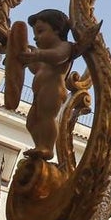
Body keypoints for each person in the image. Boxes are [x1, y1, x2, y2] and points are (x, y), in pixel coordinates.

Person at [19, 8, 74, 161]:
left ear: (57, 29)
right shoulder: (43, 54)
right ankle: (39, 145)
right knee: (31, 121)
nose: (36, 38)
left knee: (47, 118)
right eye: (35, 34)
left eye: (40, 31)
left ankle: (47, 148)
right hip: (39, 93)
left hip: (53, 90)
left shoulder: (64, 46)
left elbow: (58, 57)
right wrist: (29, 59)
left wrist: (37, 54)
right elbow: (36, 68)